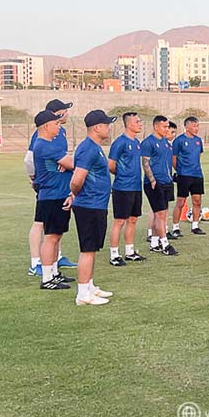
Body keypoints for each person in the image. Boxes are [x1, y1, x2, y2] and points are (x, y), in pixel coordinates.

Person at [25, 98, 78, 276]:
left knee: (55, 234)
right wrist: (35, 178)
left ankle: (54, 267)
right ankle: (38, 265)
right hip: (50, 190)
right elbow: (29, 159)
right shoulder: (42, 139)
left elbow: (65, 159)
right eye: (64, 111)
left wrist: (64, 160)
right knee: (43, 227)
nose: (66, 114)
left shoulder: (58, 134)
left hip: (59, 189)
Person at [69, 110, 117, 305]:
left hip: (96, 204)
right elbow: (76, 180)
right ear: (97, 128)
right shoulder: (88, 148)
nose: (108, 128)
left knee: (93, 248)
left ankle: (89, 286)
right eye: (106, 125)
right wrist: (78, 194)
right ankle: (82, 295)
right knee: (87, 249)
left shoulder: (94, 147)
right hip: (89, 205)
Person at [107, 112, 146, 266]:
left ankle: (130, 252)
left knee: (133, 219)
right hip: (123, 187)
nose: (140, 124)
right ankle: (114, 254)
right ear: (129, 124)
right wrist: (123, 175)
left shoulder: (137, 142)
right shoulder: (120, 143)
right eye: (137, 122)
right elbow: (111, 164)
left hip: (136, 187)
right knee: (119, 221)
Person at [142, 115, 178, 255]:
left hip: (167, 182)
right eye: (164, 126)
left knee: (162, 214)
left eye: (168, 126)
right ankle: (165, 244)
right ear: (156, 127)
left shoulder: (166, 142)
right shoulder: (148, 142)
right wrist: (152, 180)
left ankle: (154, 242)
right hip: (155, 184)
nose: (166, 129)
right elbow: (145, 163)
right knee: (160, 214)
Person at [172, 116, 207, 237]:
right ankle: (175, 227)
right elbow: (174, 158)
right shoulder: (179, 141)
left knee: (197, 201)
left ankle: (195, 226)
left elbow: (198, 156)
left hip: (197, 175)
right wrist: (180, 171)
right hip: (184, 175)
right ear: (186, 126)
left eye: (197, 126)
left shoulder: (198, 140)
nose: (196, 128)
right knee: (181, 202)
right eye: (194, 126)